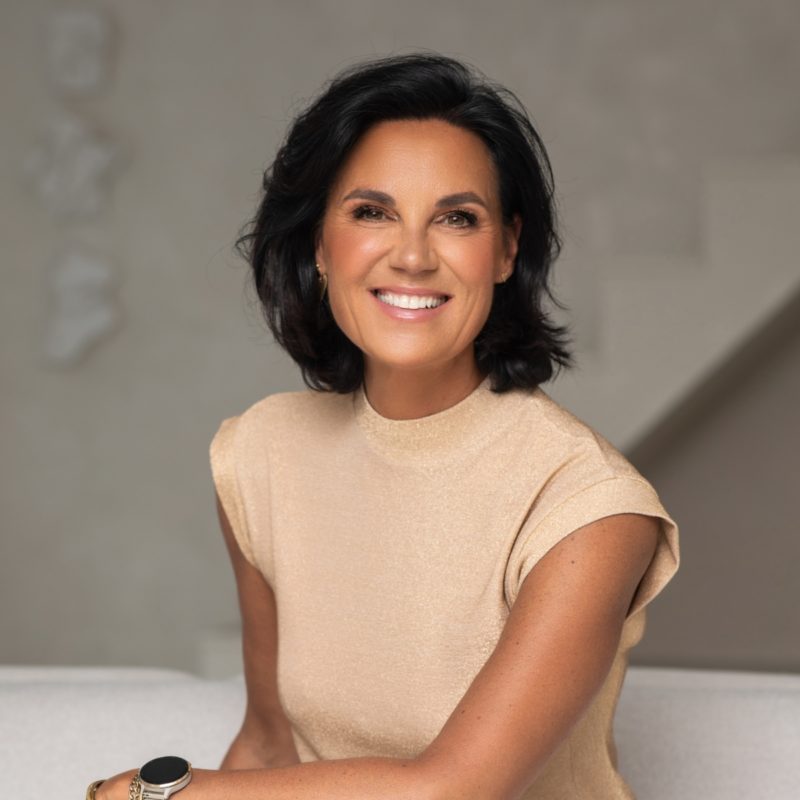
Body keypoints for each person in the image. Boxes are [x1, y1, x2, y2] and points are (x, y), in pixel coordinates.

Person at [89, 52, 679, 800]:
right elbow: (269, 745)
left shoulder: (589, 506)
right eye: (372, 212)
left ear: (505, 250)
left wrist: (149, 794)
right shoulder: (262, 454)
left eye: (457, 218)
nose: (412, 255)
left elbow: (453, 791)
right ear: (318, 242)